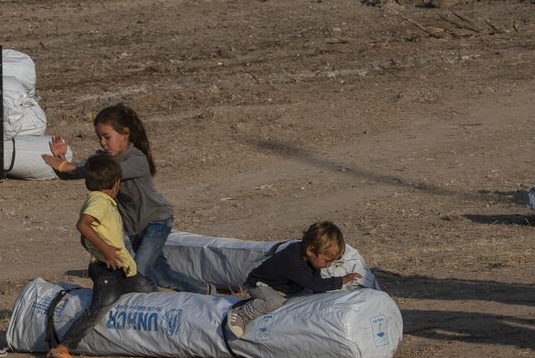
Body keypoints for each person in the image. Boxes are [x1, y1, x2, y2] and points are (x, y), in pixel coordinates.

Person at [44, 104, 210, 294]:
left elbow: (104, 171)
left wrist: (65, 165)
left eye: (107, 137)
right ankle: (206, 290)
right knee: (163, 275)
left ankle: (153, 307)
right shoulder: (102, 160)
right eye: (99, 138)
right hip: (134, 228)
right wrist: (61, 161)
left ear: (125, 134)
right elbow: (80, 173)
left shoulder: (137, 160)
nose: (103, 143)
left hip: (156, 220)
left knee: (138, 272)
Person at [46, 154, 153, 358]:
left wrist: (99, 248)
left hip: (122, 267)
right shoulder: (99, 201)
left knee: (147, 289)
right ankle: (64, 346)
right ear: (116, 184)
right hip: (106, 269)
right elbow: (83, 225)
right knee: (100, 307)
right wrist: (106, 251)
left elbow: (85, 236)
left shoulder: (102, 202)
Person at [225, 221, 362, 339]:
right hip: (260, 284)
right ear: (310, 251)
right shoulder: (292, 261)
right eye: (327, 260)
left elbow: (315, 281)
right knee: (274, 302)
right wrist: (341, 280)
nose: (329, 265)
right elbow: (314, 284)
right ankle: (242, 313)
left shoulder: (309, 259)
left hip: (282, 287)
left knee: (303, 296)